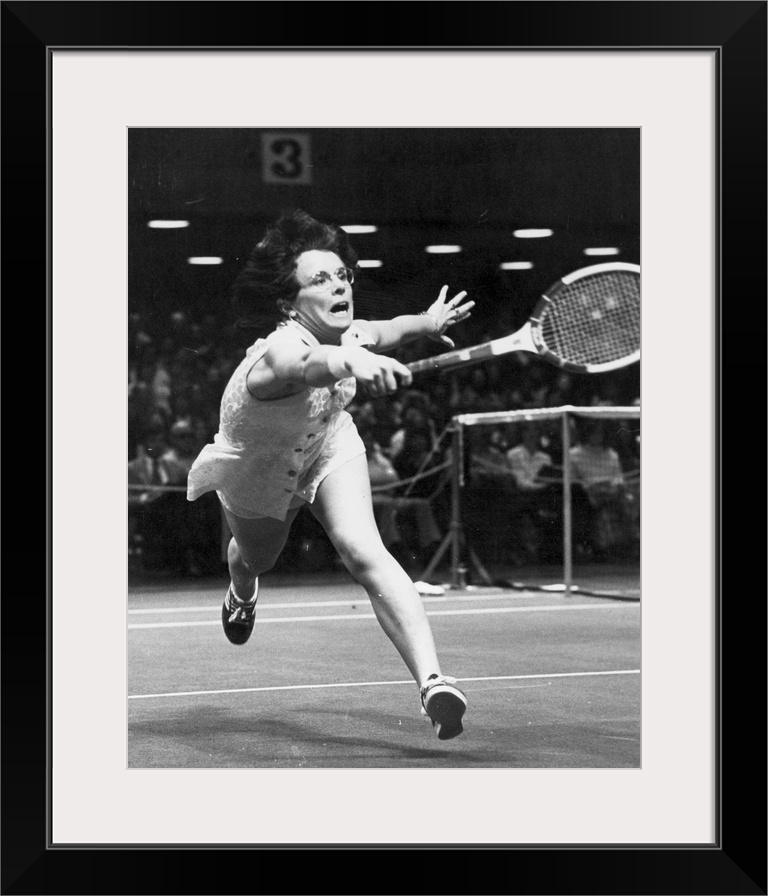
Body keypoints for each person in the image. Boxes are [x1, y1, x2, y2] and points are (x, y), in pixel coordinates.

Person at [187, 210, 475, 740]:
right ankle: (241, 587)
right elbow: (311, 365)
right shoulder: (276, 353)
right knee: (257, 557)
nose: (339, 284)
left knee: (365, 552)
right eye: (319, 279)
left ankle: (434, 683)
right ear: (287, 301)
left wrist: (428, 323)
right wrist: (354, 364)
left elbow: (391, 329)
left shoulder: (351, 333)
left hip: (325, 442)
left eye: (342, 274)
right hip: (258, 468)